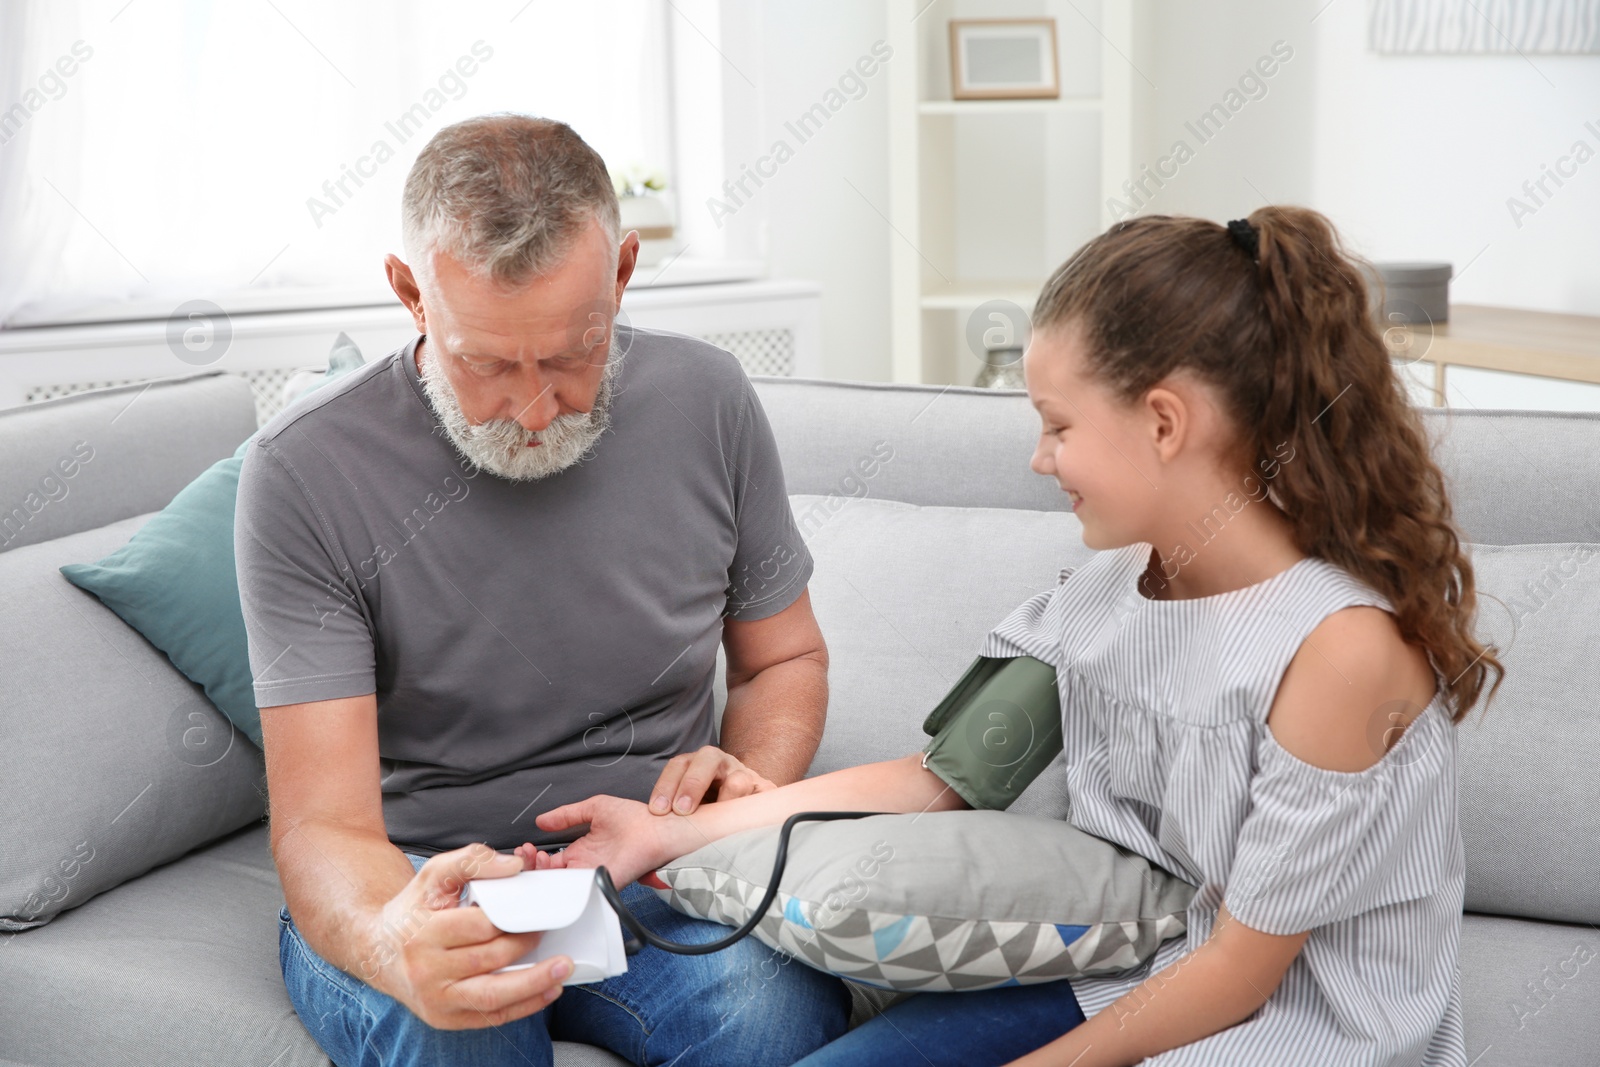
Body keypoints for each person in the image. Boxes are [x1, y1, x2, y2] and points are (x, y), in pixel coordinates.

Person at [529, 207, 1505, 1066]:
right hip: (1126, 974)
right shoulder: (1100, 595)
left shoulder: (1336, 650)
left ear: (1165, 421)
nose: (1039, 459)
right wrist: (667, 829)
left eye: (1056, 424)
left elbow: (1241, 974)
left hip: (1300, 1024)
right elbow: (937, 777)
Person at [234, 113, 851, 1066]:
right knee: (457, 1025)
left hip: (656, 861)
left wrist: (741, 783)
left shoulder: (710, 399)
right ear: (409, 294)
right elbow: (325, 825)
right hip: (412, 872)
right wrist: (396, 942)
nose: (532, 406)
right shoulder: (304, 470)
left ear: (623, 273)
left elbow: (784, 657)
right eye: (484, 361)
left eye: (572, 354)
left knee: (776, 1019)